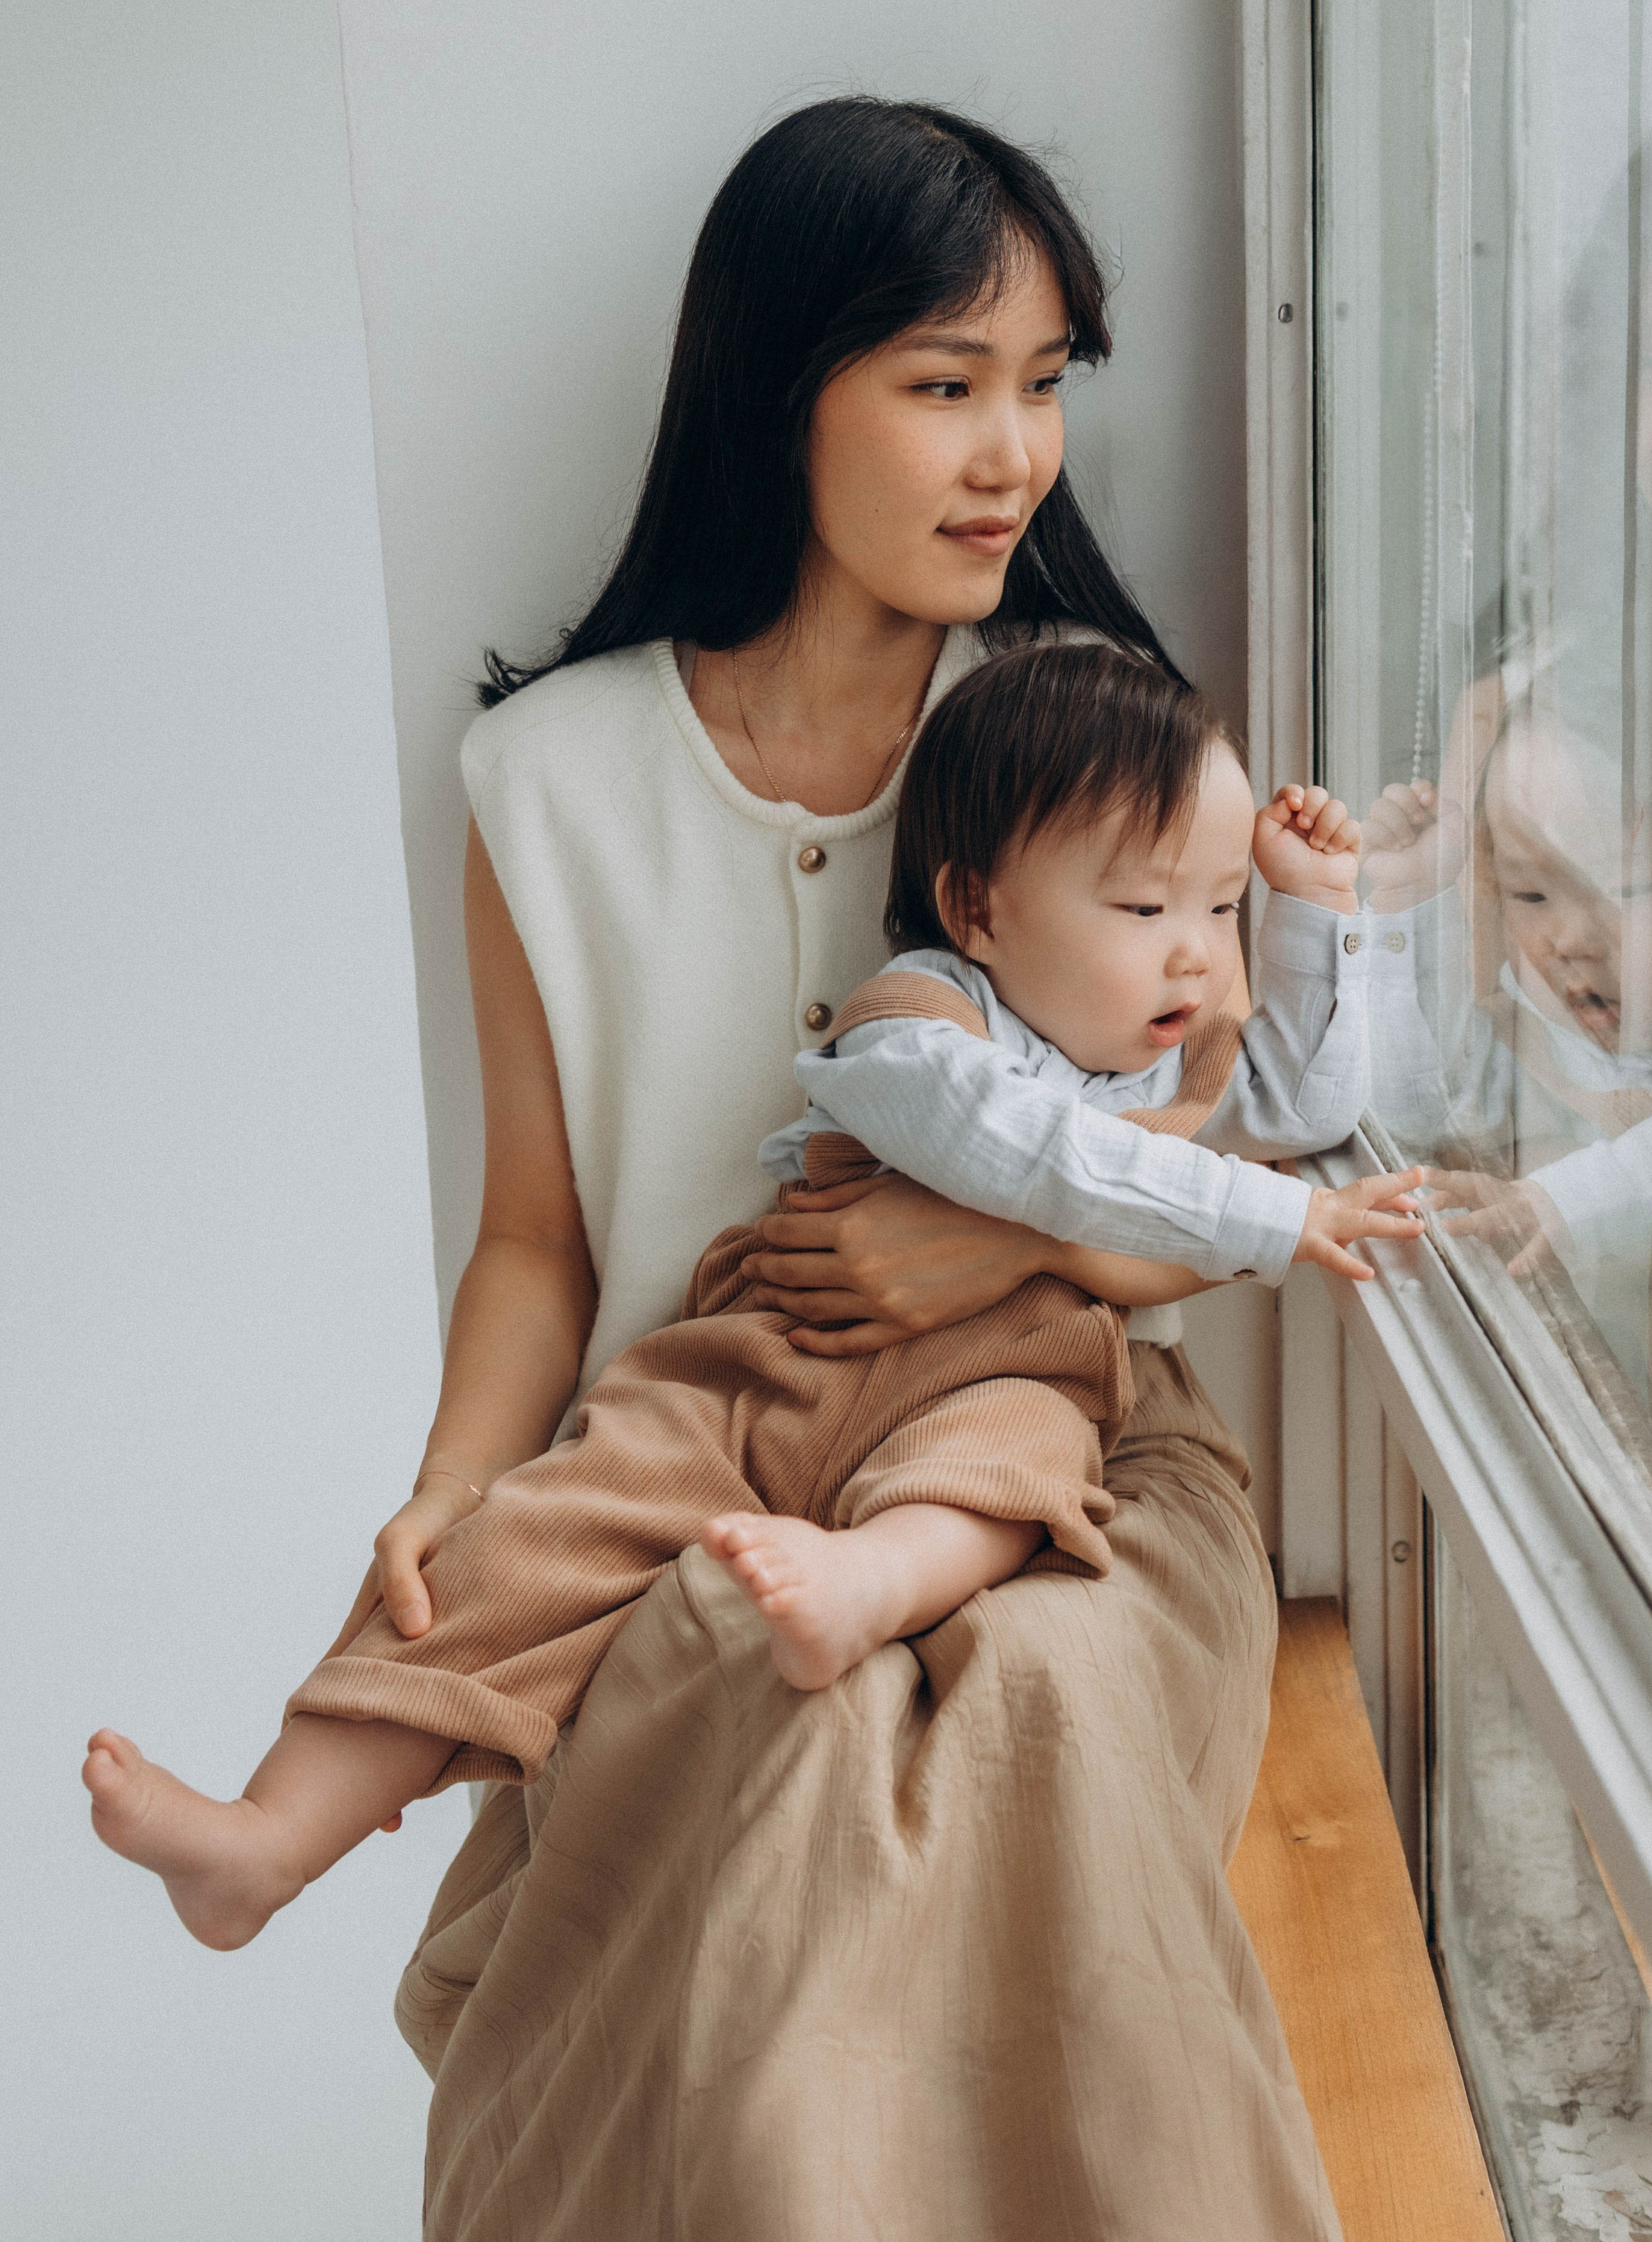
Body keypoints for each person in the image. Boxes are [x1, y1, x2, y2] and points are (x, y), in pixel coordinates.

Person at [99, 98, 1364, 2242]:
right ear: (785, 394)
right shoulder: (548, 781)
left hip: (1050, 1450)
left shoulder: (1098, 745)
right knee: (738, 1694)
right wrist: (445, 1483)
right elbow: (532, 1238)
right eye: (945, 384)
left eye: (1045, 383)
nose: (1014, 454)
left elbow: (1196, 1194)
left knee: (1015, 1712)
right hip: (698, 1439)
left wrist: (960, 1236)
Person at [84, 644, 1424, 1946]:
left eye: (1215, 910)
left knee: (1008, 1476)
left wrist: (1312, 907)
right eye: (1145, 911)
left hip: (1001, 1371)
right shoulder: (914, 1028)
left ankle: (865, 1581)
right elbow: (1051, 1168)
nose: (1196, 957)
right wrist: (1290, 1219)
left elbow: (1304, 1102)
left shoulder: (1162, 1063)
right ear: (979, 909)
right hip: (772, 1366)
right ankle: (267, 1838)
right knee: (532, 1543)